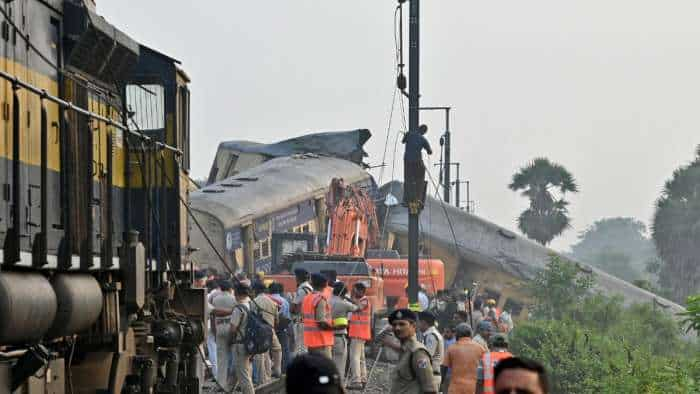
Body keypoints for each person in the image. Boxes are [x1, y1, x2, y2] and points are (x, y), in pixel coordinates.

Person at [385, 308, 437, 394]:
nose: (397, 328)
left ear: (414, 326)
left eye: (402, 324)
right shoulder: (405, 350)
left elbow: (430, 388)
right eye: (394, 325)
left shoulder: (418, 352)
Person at [250, 280, 282, 384]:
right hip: (270, 330)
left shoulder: (253, 302)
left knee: (260, 354)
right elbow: (277, 320)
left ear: (255, 290)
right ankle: (277, 370)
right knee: (277, 349)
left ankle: (262, 379)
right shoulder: (272, 302)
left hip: (259, 332)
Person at [442, 323, 486, 394]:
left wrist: (441, 382)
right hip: (474, 388)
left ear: (457, 335)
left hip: (455, 389)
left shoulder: (451, 348)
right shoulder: (480, 348)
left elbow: (444, 367)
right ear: (470, 334)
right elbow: (486, 368)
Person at [329, 281, 358, 385]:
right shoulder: (345, 304)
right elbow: (358, 308)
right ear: (344, 293)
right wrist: (348, 298)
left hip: (326, 337)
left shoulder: (327, 301)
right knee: (339, 364)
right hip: (339, 337)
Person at [210, 280, 236, 390]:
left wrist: (214, 332)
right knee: (235, 357)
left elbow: (212, 316)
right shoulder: (233, 299)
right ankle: (233, 383)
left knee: (221, 358)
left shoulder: (215, 299)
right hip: (232, 328)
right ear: (230, 288)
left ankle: (221, 384)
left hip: (219, 327)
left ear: (220, 288)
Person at [302, 273, 334, 359]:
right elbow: (321, 322)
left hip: (310, 341)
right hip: (322, 341)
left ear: (311, 284)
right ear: (325, 285)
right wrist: (335, 327)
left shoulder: (307, 298)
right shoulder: (320, 299)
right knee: (325, 369)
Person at [230, 282, 254, 394]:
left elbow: (233, 329)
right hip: (249, 342)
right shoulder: (250, 305)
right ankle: (228, 389)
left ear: (237, 293)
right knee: (237, 369)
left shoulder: (238, 309)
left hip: (240, 344)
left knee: (243, 374)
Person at [347, 282, 372, 390]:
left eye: (355, 290)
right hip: (359, 333)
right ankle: (363, 378)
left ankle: (356, 380)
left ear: (361, 291)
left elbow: (357, 307)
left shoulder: (364, 300)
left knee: (354, 357)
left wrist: (347, 298)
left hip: (359, 333)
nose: (353, 291)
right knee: (361, 358)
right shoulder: (361, 300)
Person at [402, 124, 433, 206]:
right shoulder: (423, 139)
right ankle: (418, 198)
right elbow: (430, 151)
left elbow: (403, 141)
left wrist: (406, 135)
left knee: (407, 179)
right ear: (424, 132)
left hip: (407, 161)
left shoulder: (409, 134)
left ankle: (406, 199)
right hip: (417, 161)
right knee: (420, 179)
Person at [268, 282, 292, 372]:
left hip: (270, 328)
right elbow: (287, 317)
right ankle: (284, 368)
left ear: (269, 290)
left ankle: (272, 369)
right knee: (284, 349)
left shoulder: (268, 299)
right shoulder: (284, 301)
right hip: (282, 328)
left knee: (270, 351)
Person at [418, 311, 444, 390]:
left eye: (418, 322)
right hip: (431, 375)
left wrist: (418, 372)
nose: (417, 325)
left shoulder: (431, 336)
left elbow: (426, 357)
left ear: (423, 322)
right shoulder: (431, 334)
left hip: (431, 376)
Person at [292, 268, 313, 354]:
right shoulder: (310, 288)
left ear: (298, 278)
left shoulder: (302, 290)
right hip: (309, 321)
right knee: (305, 346)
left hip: (301, 321)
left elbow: (294, 308)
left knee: (300, 347)